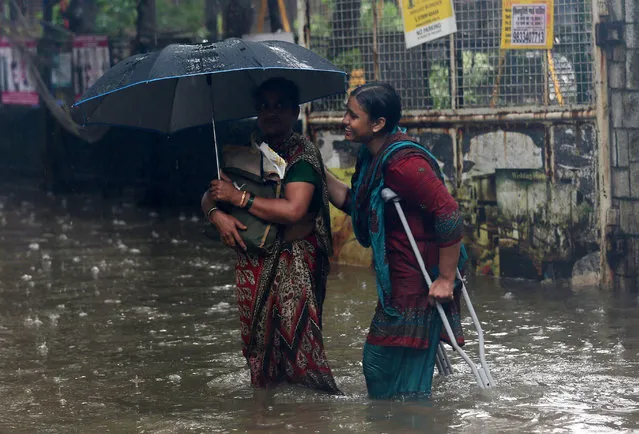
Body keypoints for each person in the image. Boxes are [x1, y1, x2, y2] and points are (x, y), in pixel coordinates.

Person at [325, 82, 466, 399]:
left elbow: (449, 213)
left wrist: (445, 279)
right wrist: (315, 169)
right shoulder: (370, 157)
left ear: (378, 124)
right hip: (397, 283)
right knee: (386, 371)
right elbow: (353, 202)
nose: (344, 121)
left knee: (379, 364)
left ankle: (406, 420)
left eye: (353, 115)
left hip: (418, 284)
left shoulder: (402, 164)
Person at [203, 77, 340, 394]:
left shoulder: (302, 157)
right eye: (264, 105)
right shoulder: (248, 149)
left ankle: (309, 416)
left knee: (298, 343)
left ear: (295, 111)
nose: (271, 112)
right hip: (253, 263)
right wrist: (216, 215)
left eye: (280, 105)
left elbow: (294, 210)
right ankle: (267, 416)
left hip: (296, 261)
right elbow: (210, 195)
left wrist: (239, 199)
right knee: (259, 351)